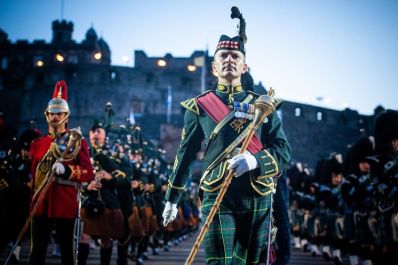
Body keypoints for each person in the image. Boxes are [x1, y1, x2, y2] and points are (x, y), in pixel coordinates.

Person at [162, 7, 291, 265]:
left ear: (245, 66)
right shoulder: (199, 106)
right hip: (218, 190)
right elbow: (185, 155)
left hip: (257, 191)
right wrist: (171, 199)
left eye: (235, 55)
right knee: (219, 261)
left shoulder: (263, 104)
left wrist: (255, 161)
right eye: (223, 55)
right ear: (214, 67)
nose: (229, 59)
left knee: (253, 262)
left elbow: (283, 150)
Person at [29, 80, 94, 265]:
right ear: (46, 114)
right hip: (41, 204)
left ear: (66, 115)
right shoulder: (37, 144)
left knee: (67, 251)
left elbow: (88, 173)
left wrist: (66, 171)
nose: (55, 117)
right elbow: (33, 178)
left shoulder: (77, 142)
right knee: (37, 251)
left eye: (59, 114)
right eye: (52, 113)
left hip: (65, 204)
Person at [78, 119, 132, 265]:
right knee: (84, 236)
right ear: (89, 134)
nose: (96, 134)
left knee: (106, 239)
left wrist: (110, 176)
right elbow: (76, 175)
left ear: (104, 135)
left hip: (109, 201)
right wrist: (86, 186)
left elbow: (126, 178)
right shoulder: (82, 154)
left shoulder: (115, 156)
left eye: (99, 132)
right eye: (93, 131)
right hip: (88, 200)